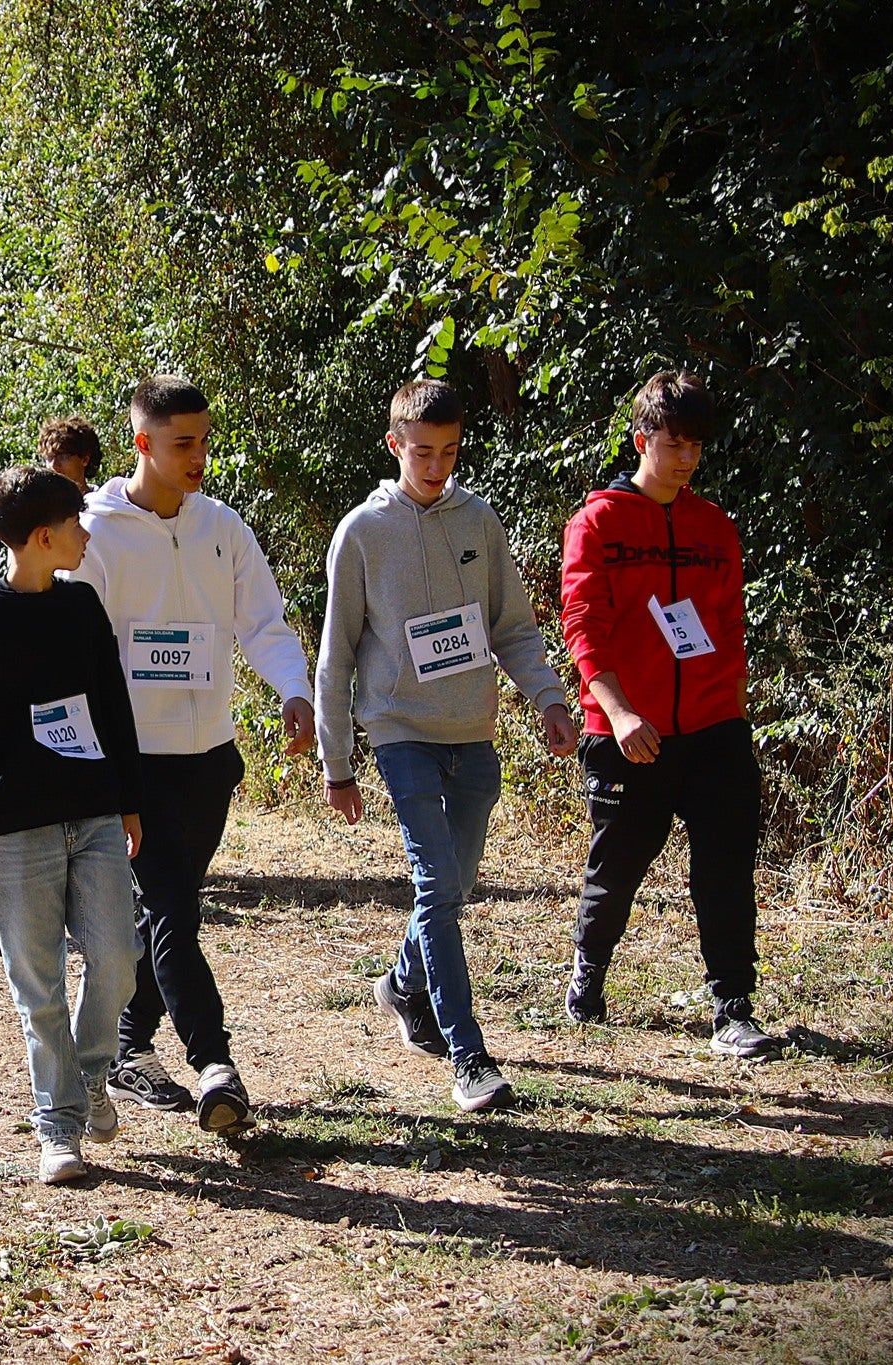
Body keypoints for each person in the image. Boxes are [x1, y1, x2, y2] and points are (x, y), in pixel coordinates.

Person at [316, 380, 580, 1112]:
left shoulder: (478, 521)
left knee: (454, 887)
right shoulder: (362, 531)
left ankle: (403, 984)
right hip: (400, 731)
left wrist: (550, 699)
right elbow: (336, 656)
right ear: (394, 445)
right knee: (437, 885)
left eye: (450, 451)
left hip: (473, 733)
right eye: (423, 452)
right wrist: (337, 763)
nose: (436, 467)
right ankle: (468, 1055)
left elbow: (512, 628)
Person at [69, 375, 315, 1135]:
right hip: (133, 762)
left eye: (205, 439)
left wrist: (293, 689)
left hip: (209, 758)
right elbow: (75, 650)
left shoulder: (223, 528)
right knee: (174, 909)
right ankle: (216, 1066)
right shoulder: (95, 535)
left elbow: (263, 621)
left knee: (168, 908)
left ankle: (127, 1044)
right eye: (183, 443)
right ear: (142, 443)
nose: (199, 455)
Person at [559, 372, 778, 1058]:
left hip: (714, 729)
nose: (686, 458)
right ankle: (588, 971)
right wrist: (620, 713)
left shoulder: (715, 527)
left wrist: (733, 712)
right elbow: (583, 626)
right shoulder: (597, 523)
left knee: (726, 869)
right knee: (618, 868)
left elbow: (729, 627)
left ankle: (732, 1007)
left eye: (696, 445)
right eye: (673, 443)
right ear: (641, 440)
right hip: (630, 731)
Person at [0, 466, 145, 1184]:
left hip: (94, 814)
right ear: (41, 536)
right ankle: (58, 1126)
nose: (85, 535)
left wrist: (129, 799)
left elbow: (113, 704)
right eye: (74, 524)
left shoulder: (83, 605)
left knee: (118, 957)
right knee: (40, 988)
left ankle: (90, 1073)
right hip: (18, 829)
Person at [37, 415, 103, 492]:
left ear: (85, 459)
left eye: (62, 457)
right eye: (49, 457)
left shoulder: (104, 498)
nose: (53, 465)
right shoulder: (39, 499)